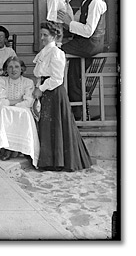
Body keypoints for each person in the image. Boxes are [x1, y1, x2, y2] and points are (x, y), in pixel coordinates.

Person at [33, 22, 92, 171]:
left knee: (56, 125)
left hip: (54, 92)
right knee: (46, 125)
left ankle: (60, 162)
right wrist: (38, 89)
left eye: (45, 35)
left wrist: (41, 88)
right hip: (44, 91)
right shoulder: (44, 52)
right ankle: (49, 161)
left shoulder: (56, 53)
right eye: (41, 35)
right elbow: (40, 74)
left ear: (54, 36)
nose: (42, 38)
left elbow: (57, 78)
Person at [58, 0, 107, 120]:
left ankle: (70, 109)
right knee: (74, 75)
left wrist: (69, 23)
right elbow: (78, 22)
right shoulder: (86, 1)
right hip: (85, 43)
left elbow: (88, 30)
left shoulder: (95, 2)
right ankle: (78, 113)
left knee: (56, 51)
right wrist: (67, 19)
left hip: (90, 44)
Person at [0, 56, 40, 165]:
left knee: (25, 113)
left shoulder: (28, 82)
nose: (14, 70)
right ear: (6, 70)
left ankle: (21, 148)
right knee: (4, 111)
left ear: (22, 69)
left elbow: (28, 102)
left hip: (22, 111)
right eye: (10, 67)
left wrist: (10, 102)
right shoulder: (0, 81)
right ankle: (8, 147)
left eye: (17, 67)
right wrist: (19, 100)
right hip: (6, 110)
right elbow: (0, 101)